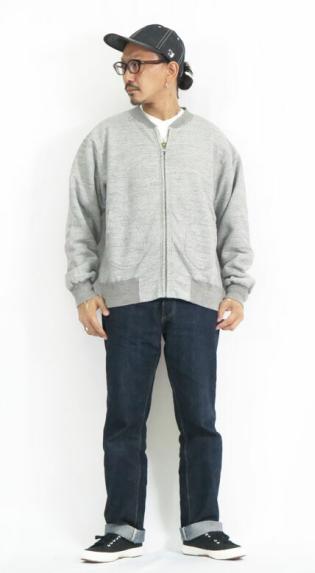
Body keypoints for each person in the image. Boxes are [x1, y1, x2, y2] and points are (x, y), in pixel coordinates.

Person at [64, 24, 255, 563]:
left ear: (171, 69)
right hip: (125, 301)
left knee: (200, 420)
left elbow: (233, 222)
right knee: (124, 419)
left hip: (199, 301)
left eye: (137, 64)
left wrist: (237, 288)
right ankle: (121, 528)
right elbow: (81, 220)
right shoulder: (103, 140)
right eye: (123, 66)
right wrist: (83, 288)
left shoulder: (214, 144)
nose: (127, 75)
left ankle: (203, 527)